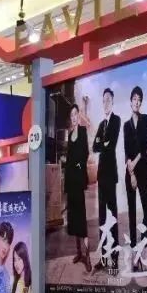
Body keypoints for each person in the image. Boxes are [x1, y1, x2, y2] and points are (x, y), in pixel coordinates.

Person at [92, 88, 122, 274]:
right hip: (101, 177)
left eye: (108, 99)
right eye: (103, 100)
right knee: (102, 219)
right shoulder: (101, 124)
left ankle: (115, 259)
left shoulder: (116, 120)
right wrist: (103, 143)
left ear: (113, 102)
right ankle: (103, 258)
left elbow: (111, 144)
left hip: (111, 176)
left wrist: (102, 143)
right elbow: (95, 147)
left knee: (112, 218)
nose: (105, 103)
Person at [123, 86, 147, 256]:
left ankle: (144, 238)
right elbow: (126, 149)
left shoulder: (145, 119)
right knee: (132, 211)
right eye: (134, 99)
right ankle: (134, 244)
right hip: (130, 173)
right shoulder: (126, 125)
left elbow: (145, 145)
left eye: (139, 99)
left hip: (142, 169)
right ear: (130, 102)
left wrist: (134, 164)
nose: (137, 102)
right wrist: (131, 173)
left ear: (141, 103)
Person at [64, 103, 92, 273]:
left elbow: (85, 152)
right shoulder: (69, 134)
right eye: (72, 115)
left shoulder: (82, 131)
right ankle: (78, 253)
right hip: (70, 180)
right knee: (73, 217)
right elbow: (69, 156)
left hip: (78, 179)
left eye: (76, 114)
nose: (74, 117)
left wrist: (79, 166)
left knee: (81, 217)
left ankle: (87, 257)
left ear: (78, 115)